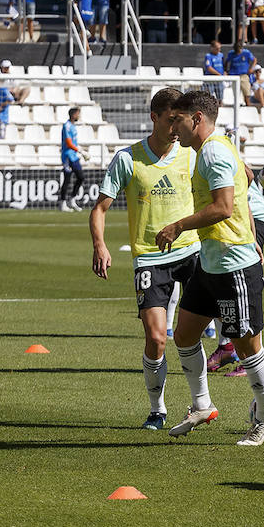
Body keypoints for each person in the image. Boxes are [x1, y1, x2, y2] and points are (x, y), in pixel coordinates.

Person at [155, 90, 264, 446]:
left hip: (233, 265)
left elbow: (223, 207)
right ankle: (202, 405)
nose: (174, 129)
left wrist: (177, 226)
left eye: (178, 121)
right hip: (211, 261)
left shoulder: (215, 151)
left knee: (247, 346)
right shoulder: (212, 149)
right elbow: (245, 186)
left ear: (196, 119)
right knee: (185, 334)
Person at [91, 88, 205, 431]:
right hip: (150, 258)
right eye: (170, 120)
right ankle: (158, 409)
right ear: (154, 117)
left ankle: (204, 402)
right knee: (156, 338)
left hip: (193, 251)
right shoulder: (129, 159)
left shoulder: (192, 155)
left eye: (180, 121)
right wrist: (100, 245)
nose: (176, 128)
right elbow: (99, 208)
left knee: (197, 333)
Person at [58, 107, 90, 212]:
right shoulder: (67, 126)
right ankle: (63, 203)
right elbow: (68, 143)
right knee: (67, 179)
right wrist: (81, 151)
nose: (78, 116)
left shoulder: (72, 126)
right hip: (68, 156)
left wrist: (79, 151)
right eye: (77, 114)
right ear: (73, 115)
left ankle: (72, 199)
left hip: (74, 156)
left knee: (80, 177)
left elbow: (73, 143)